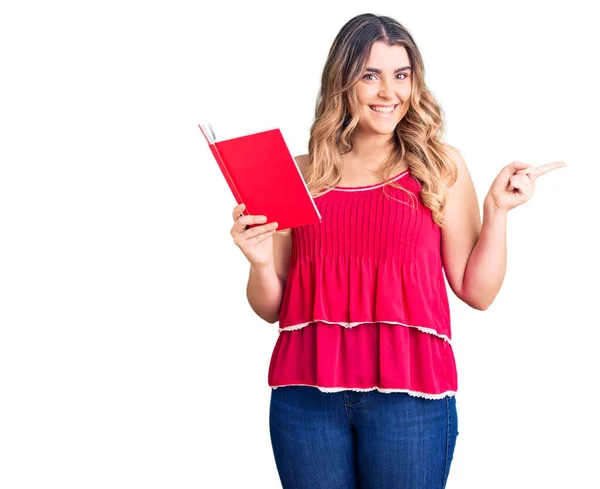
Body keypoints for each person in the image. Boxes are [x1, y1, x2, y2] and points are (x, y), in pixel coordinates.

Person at [228, 13, 565, 489]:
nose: (390, 92)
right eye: (371, 75)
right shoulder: (298, 173)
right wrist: (259, 262)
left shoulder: (439, 165)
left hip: (410, 399)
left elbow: (477, 291)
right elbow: (271, 308)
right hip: (305, 399)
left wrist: (497, 212)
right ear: (342, 82)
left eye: (401, 75)